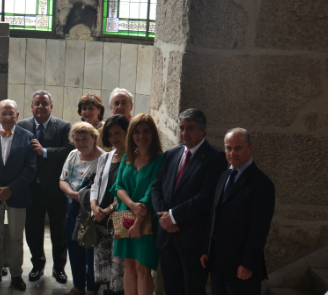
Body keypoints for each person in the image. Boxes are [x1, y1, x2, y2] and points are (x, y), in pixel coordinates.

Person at [150, 109, 228, 295]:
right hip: (167, 235)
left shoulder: (215, 157)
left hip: (192, 237)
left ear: (203, 130)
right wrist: (164, 217)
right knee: (171, 286)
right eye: (182, 128)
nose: (184, 133)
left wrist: (174, 216)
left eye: (190, 128)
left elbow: (206, 196)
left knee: (192, 288)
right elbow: (156, 187)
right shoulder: (171, 154)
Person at [201, 129, 275, 295]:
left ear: (250, 148)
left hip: (241, 268)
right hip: (218, 264)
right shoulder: (223, 176)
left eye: (238, 148)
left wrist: (247, 264)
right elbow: (215, 216)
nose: (232, 153)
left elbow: (259, 229)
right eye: (228, 148)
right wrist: (207, 250)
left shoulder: (261, 184)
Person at [0, 100, 36, 291]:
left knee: (16, 236)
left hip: (17, 194)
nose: (8, 117)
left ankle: (16, 274)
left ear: (17, 116)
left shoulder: (27, 137)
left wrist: (11, 188)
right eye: (4, 114)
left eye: (12, 113)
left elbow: (31, 168)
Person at [17, 90, 73, 284]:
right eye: (37, 104)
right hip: (31, 189)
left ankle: (59, 268)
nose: (40, 107)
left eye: (44, 104)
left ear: (51, 107)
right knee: (33, 230)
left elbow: (69, 150)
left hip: (56, 189)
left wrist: (45, 151)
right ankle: (37, 266)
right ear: (31, 107)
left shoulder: (64, 126)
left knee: (59, 231)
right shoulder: (22, 125)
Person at [111, 114, 165, 295]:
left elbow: (151, 192)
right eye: (137, 132)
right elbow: (118, 187)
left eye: (146, 131)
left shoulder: (160, 159)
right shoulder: (127, 156)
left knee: (143, 268)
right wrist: (132, 205)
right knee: (128, 265)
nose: (141, 136)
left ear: (153, 134)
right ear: (131, 135)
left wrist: (137, 223)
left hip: (146, 221)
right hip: (125, 216)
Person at [60, 122, 106, 295]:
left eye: (85, 139)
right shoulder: (73, 155)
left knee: (91, 249)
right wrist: (73, 194)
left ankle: (92, 288)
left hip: (91, 211)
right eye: (76, 140)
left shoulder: (104, 158)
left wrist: (85, 200)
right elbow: (62, 180)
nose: (80, 143)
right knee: (74, 248)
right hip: (72, 208)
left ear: (94, 137)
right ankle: (79, 285)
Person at [91, 115, 130, 295]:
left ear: (127, 133)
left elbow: (126, 192)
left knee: (118, 267)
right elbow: (95, 186)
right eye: (110, 134)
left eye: (118, 133)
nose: (114, 137)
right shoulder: (105, 157)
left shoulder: (132, 159)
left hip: (118, 220)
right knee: (102, 268)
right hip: (100, 220)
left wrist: (107, 210)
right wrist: (94, 207)